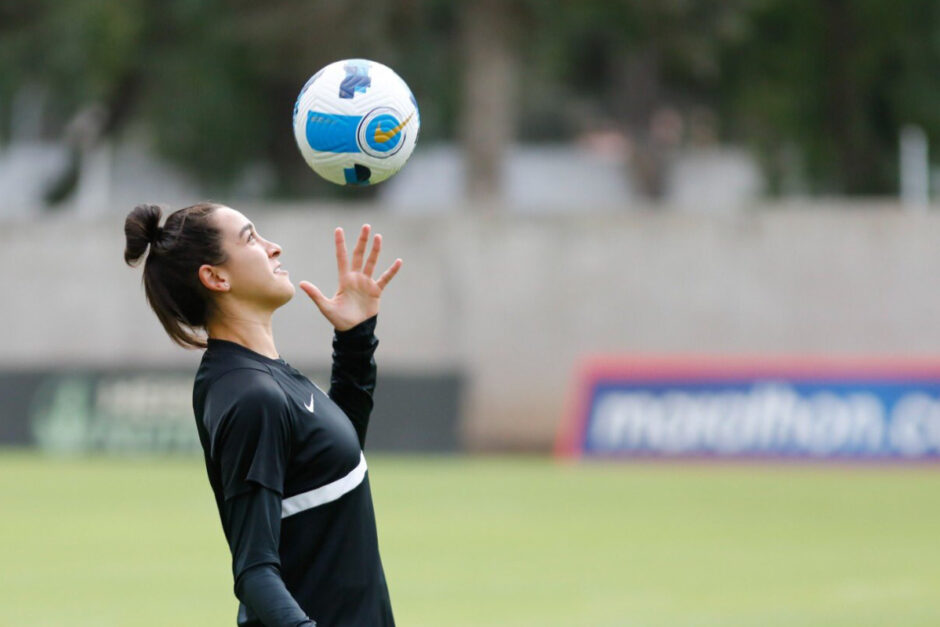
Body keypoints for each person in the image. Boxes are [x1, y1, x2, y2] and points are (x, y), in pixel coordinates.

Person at [123, 201, 402, 626]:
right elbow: (254, 570)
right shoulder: (251, 395)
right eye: (251, 238)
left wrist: (355, 339)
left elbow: (332, 469)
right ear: (215, 277)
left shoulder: (255, 376)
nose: (274, 247)